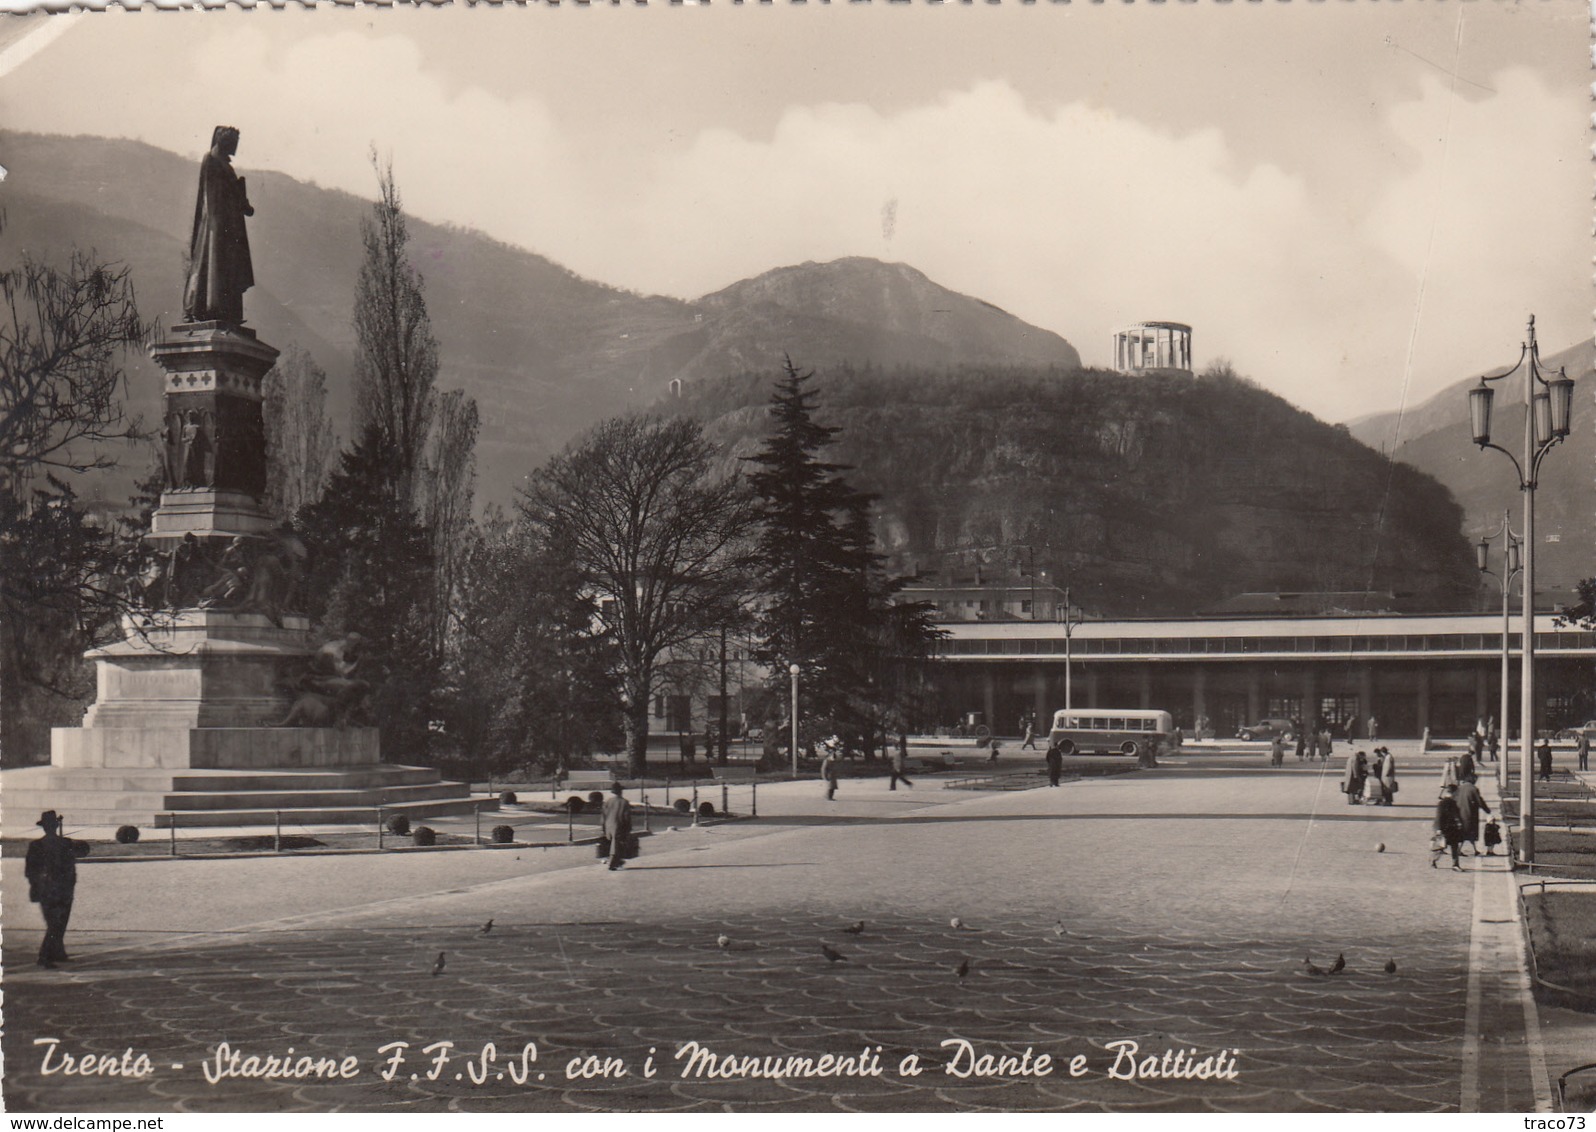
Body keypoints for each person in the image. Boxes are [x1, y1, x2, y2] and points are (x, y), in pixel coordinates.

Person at [183, 126, 255, 324]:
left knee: (227, 267)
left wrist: (243, 203)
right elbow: (211, 194)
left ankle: (227, 310)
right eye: (233, 142)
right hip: (216, 226)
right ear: (224, 141)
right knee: (211, 263)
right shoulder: (212, 160)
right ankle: (207, 308)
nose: (235, 146)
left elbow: (233, 197)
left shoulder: (226, 166)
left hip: (230, 227)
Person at [25, 811, 85, 968]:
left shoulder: (42, 845)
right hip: (59, 889)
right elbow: (75, 862)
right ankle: (44, 956)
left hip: (49, 889)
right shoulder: (64, 843)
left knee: (57, 922)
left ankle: (58, 952)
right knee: (56, 923)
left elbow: (30, 871)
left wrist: (36, 884)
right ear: (55, 826)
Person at [1453, 777, 1491, 856]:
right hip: (1470, 814)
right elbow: (1479, 801)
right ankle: (1462, 850)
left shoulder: (1459, 788)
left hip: (1460, 814)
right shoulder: (1474, 789)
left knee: (1464, 833)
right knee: (1469, 833)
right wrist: (1487, 811)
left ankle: (1472, 850)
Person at [600, 783, 633, 871]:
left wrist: (603, 826)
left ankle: (617, 861)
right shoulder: (624, 802)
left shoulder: (608, 801)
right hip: (619, 825)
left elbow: (603, 815)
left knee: (613, 844)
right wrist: (628, 827)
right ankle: (612, 863)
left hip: (608, 825)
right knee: (616, 845)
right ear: (621, 791)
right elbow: (627, 816)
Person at [1432, 785, 1466, 871]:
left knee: (1454, 846)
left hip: (1452, 828)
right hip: (1444, 829)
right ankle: (1433, 860)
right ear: (1453, 793)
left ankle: (1455, 864)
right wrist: (1439, 829)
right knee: (1441, 846)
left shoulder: (1452, 802)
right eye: (1457, 793)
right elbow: (1439, 816)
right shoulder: (1443, 803)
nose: (1457, 794)